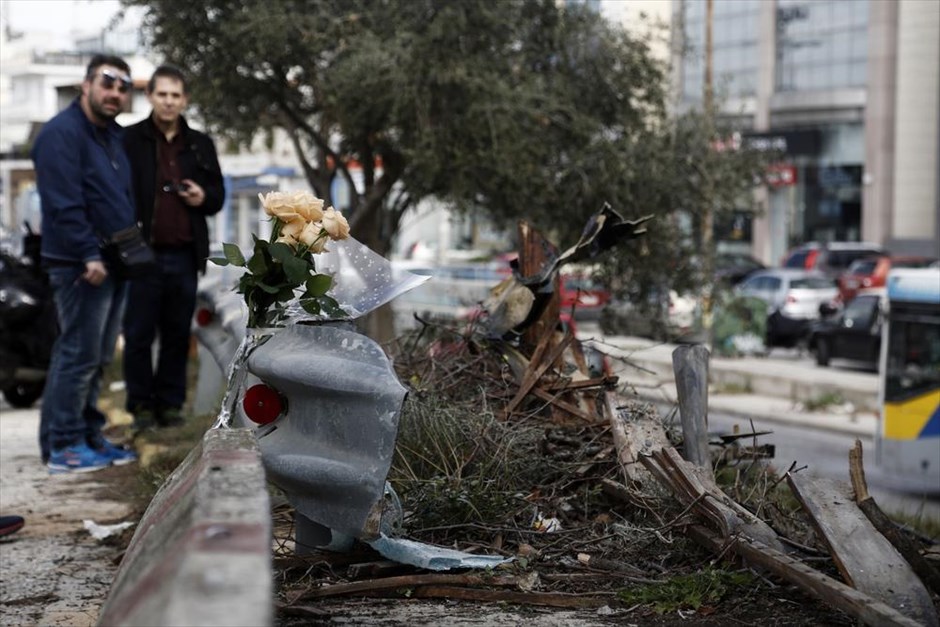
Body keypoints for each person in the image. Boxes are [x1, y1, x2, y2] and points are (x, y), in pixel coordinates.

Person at [32, 54, 139, 472]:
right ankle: (63, 445)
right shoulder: (62, 134)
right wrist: (88, 254)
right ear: (86, 84)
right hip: (81, 264)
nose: (114, 92)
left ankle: (88, 435)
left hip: (114, 261)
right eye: (107, 82)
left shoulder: (110, 135)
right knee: (76, 354)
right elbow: (63, 204)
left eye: (122, 86)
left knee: (95, 358)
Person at [122, 64, 225, 430]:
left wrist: (202, 195)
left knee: (177, 334)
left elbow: (217, 197)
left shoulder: (200, 144)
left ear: (185, 100)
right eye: (162, 94)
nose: (168, 101)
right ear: (149, 96)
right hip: (140, 254)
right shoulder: (129, 140)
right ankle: (140, 407)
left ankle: (170, 406)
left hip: (184, 254)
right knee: (137, 334)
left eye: (175, 95)